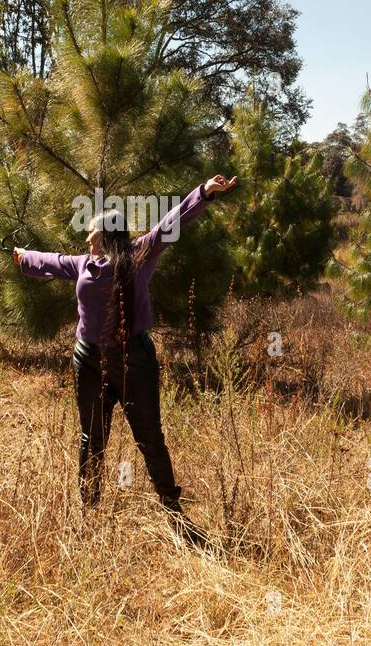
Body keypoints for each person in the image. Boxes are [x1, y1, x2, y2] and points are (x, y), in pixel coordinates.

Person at [13, 174, 237, 545]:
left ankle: (173, 513)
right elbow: (49, 261)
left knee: (149, 437)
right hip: (88, 360)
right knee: (92, 435)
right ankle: (90, 508)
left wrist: (204, 192)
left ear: (106, 234)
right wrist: (23, 258)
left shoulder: (139, 255)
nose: (86, 238)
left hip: (133, 360)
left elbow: (172, 222)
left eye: (91, 233)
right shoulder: (83, 264)